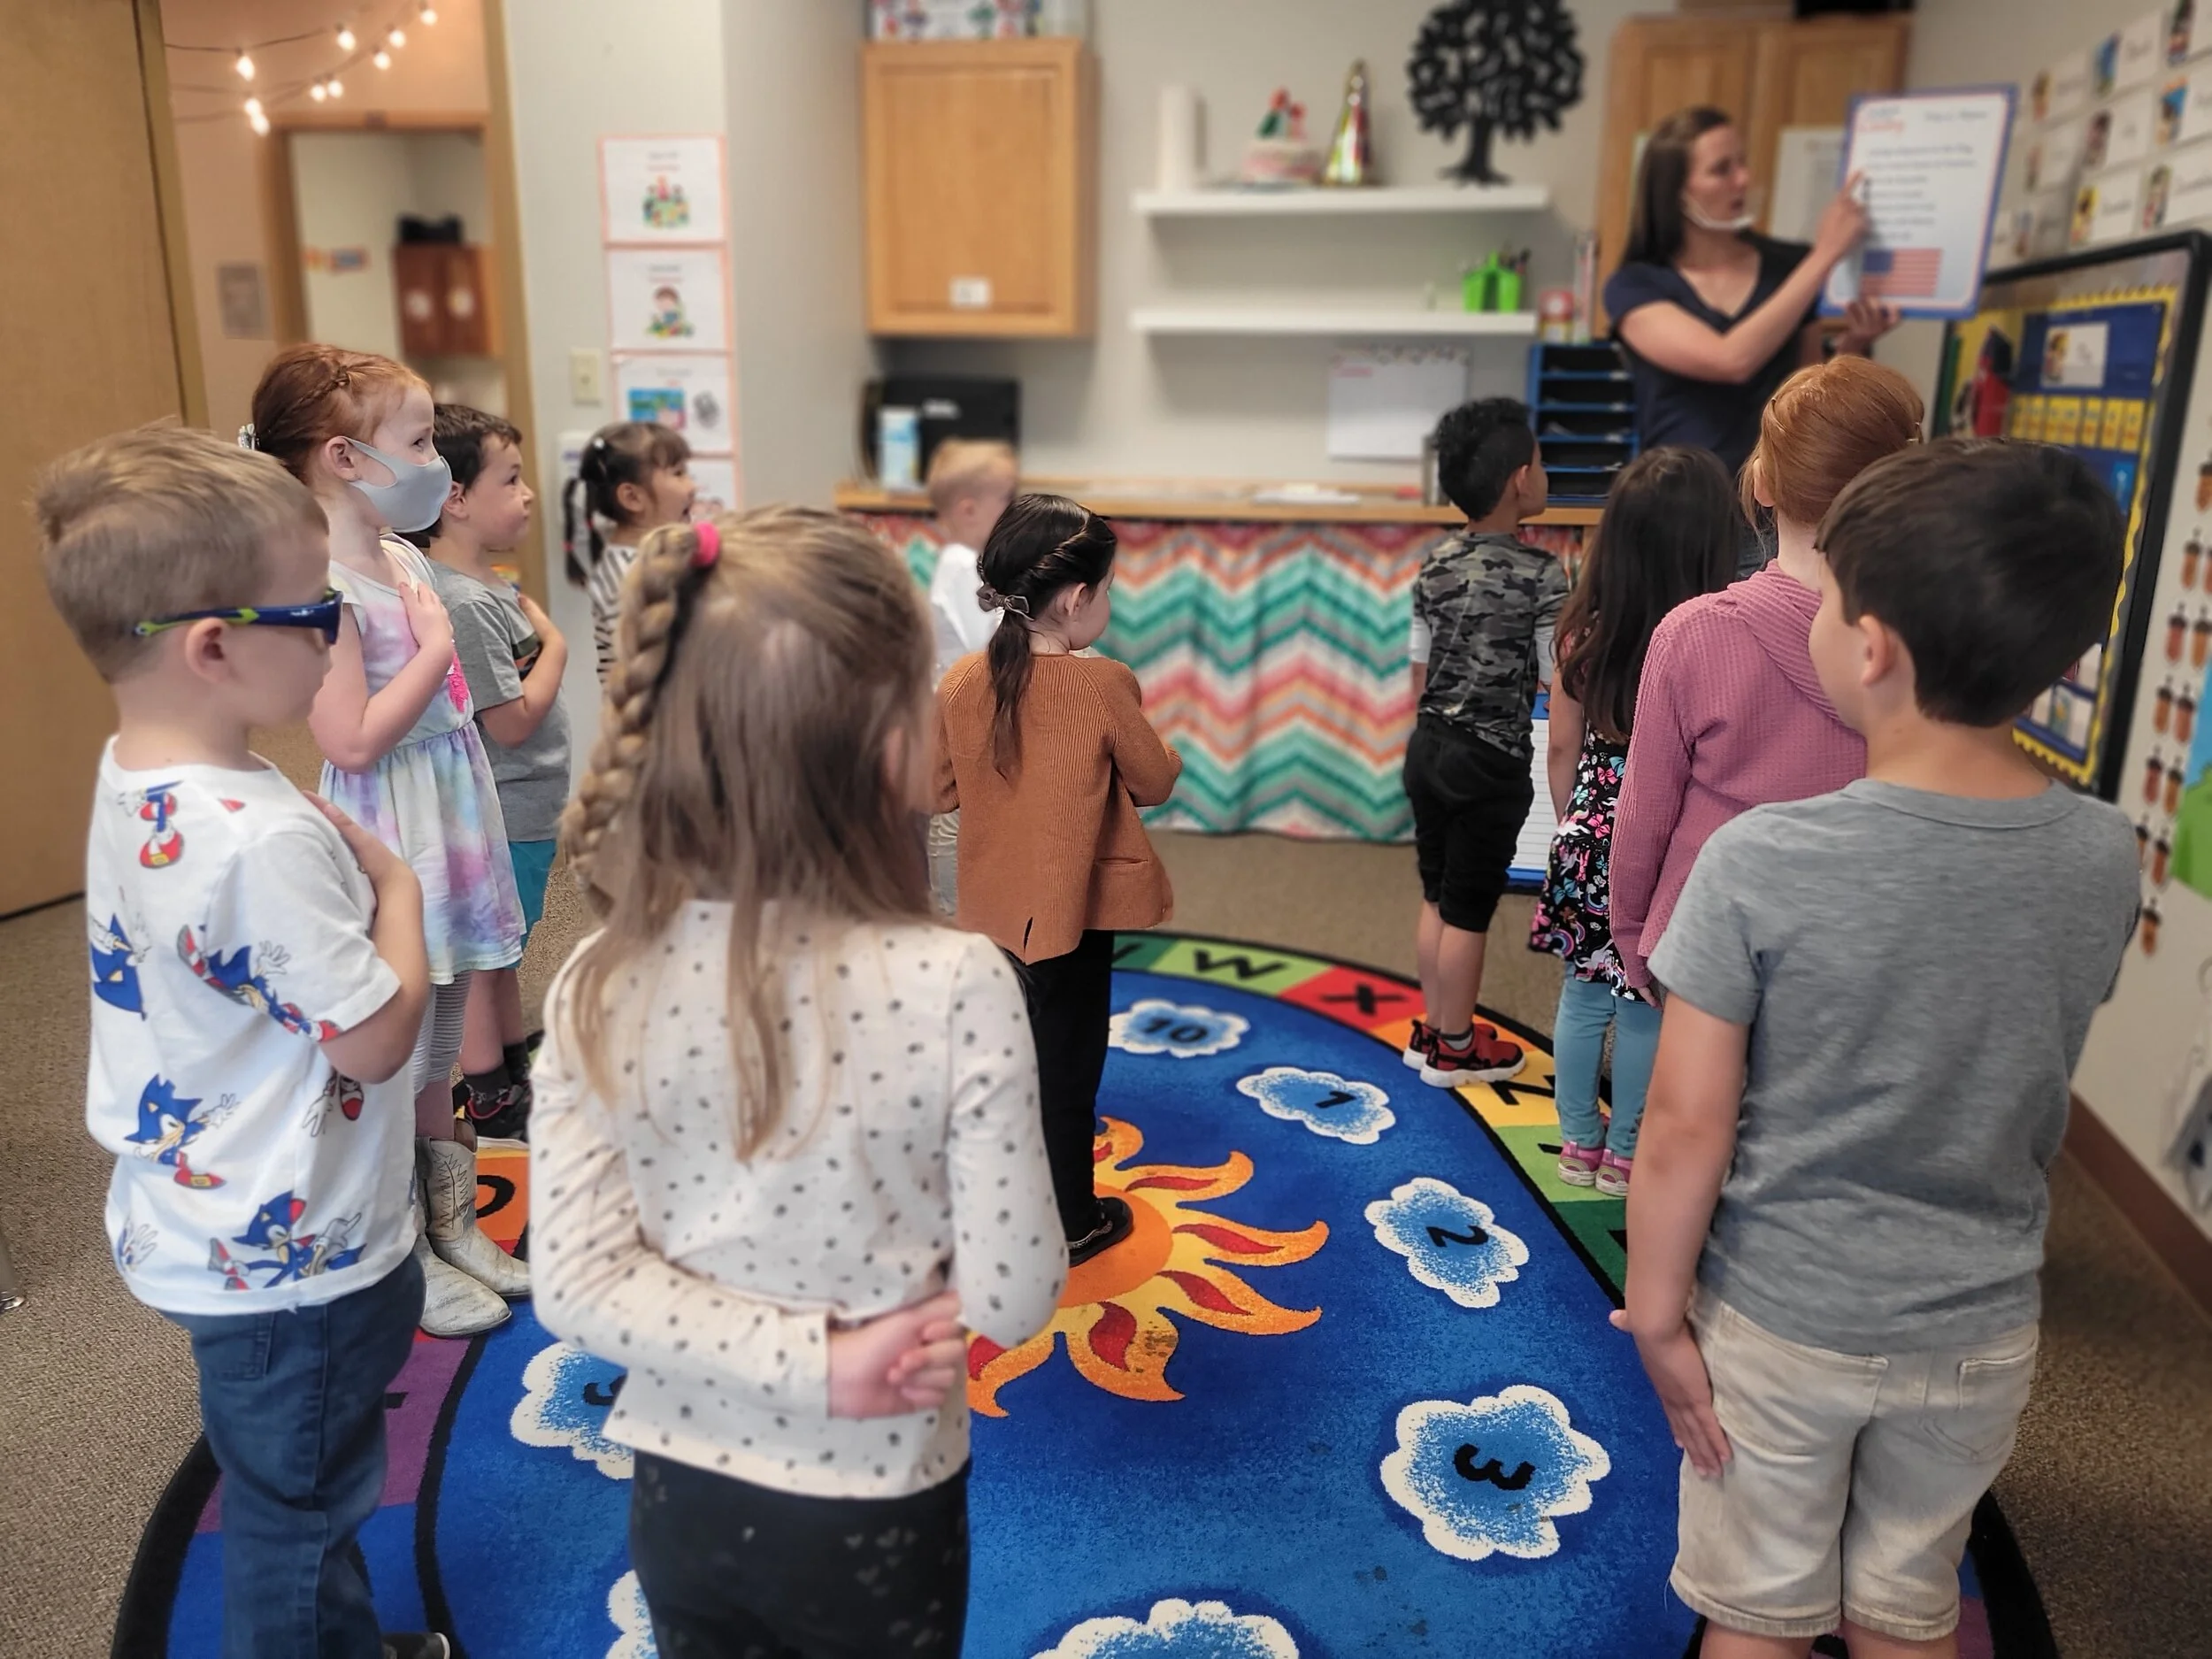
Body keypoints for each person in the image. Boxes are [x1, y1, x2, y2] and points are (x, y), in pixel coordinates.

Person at [1622, 439, 2138, 1659]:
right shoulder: (2105, 853)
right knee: (1908, 1604)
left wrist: (1654, 1311)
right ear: (2064, 660)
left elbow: (1686, 1123)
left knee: (1756, 1610)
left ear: (1871, 646)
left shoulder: (1759, 858)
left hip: (1779, 1318)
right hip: (1978, 1326)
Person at [531, 505, 1065, 1656]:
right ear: (886, 742)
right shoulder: (959, 978)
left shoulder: (592, 975)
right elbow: (1017, 1292)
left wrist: (797, 1359)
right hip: (879, 1493)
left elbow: (574, 1283)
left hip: (686, 1491)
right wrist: (842, 1361)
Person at [38, 426, 449, 1659]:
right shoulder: (256, 838)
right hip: (296, 1245)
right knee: (299, 1503)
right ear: (215, 645)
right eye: (317, 606)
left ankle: (335, 1636)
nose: (337, 626)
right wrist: (403, 899)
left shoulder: (138, 773)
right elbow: (376, 1037)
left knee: (288, 1477)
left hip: (209, 1213)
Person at [252, 343, 531, 1339]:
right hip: (395, 826)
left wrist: (437, 648)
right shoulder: (322, 578)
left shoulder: (402, 554)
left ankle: (452, 1222)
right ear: (341, 457)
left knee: (445, 1035)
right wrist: (441, 645)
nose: (433, 464)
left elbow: (443, 710)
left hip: (450, 808)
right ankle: (399, 1243)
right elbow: (351, 736)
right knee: (400, 1041)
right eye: (415, 442)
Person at [1610, 356, 1924, 995]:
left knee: (1697, 1097)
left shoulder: (1694, 633)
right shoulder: (1929, 639)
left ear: (1766, 485)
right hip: (1861, 944)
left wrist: (1631, 931)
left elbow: (1645, 812)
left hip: (1704, 936)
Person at [934, 495, 1180, 1265]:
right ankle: (1071, 1220)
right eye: (1106, 590)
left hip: (988, 913)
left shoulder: (962, 681)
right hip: (1072, 913)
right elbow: (1155, 780)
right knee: (1068, 1070)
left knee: (1001, 1059)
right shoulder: (1103, 684)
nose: (1106, 602)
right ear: (1077, 599)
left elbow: (935, 789)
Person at [1529, 447, 1739, 1196]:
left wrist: (1573, 824)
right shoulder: (1711, 637)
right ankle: (1625, 1154)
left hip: (1588, 836)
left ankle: (1577, 1145)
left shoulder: (1582, 629)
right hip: (1667, 842)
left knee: (1582, 995)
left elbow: (1559, 744)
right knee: (1645, 997)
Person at [1603, 106, 1903, 543]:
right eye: (1721, 170)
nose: (1743, 179)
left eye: (1741, 163)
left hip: (1775, 512)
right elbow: (1730, 359)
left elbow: (1809, 394)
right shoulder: (1635, 285)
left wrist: (1854, 344)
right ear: (1674, 191)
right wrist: (1825, 255)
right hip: (1677, 517)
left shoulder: (1789, 268)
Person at [413, 405, 570, 1142]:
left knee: (506, 947)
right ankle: (488, 1089)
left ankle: (508, 1063)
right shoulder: (468, 603)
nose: (528, 492)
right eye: (509, 479)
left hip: (524, 807)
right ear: (456, 499)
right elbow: (509, 721)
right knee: (486, 955)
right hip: (502, 809)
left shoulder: (490, 587)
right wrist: (557, 651)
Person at [1402, 397, 1566, 1087]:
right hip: (1491, 762)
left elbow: (1418, 672)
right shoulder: (1544, 575)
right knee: (1470, 909)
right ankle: (1458, 1045)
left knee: (1438, 895)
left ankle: (1433, 1027)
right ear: (1519, 481)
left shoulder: (1433, 564)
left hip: (1429, 747)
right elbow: (1559, 681)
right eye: (1542, 463)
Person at [922, 439, 1018, 914]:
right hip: (967, 730)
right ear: (968, 509)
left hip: (973, 726)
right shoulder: (962, 569)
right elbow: (994, 647)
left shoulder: (972, 567)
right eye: (1007, 497)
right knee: (959, 838)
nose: (1015, 507)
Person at [562, 419, 696, 681]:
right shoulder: (628, 573)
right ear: (632, 498)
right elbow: (652, 663)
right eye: (678, 473)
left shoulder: (658, 557)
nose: (692, 486)